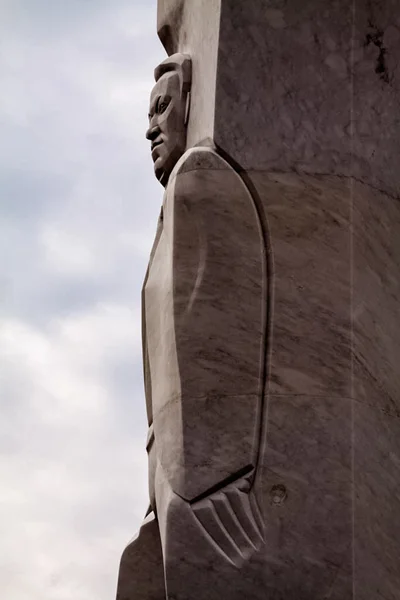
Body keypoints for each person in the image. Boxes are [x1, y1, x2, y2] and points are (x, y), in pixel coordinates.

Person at [116, 53, 267, 600]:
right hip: (170, 475)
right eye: (148, 113)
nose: (150, 127)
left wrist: (215, 473)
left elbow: (231, 332)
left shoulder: (202, 178)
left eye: (162, 108)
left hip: (205, 477)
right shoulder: (172, 204)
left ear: (190, 107)